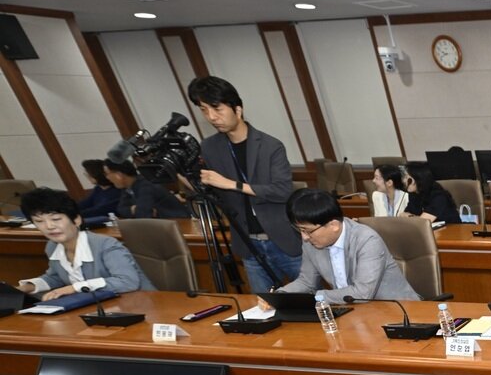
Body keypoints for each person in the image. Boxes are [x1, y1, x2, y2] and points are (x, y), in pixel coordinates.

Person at [188, 76, 302, 293]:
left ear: (237, 108)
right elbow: (206, 192)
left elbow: (282, 191)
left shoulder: (270, 145)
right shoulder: (209, 147)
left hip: (283, 241)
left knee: (313, 303)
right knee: (265, 308)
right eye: (204, 110)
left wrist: (231, 184)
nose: (212, 117)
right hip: (248, 245)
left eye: (217, 109)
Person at [271, 188, 418, 301]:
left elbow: (362, 294)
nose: (304, 237)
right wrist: (280, 296)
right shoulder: (312, 242)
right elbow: (306, 282)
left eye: (308, 231)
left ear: (334, 225)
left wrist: (315, 297)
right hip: (352, 313)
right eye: (300, 230)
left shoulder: (366, 240)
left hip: (397, 312)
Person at [16, 188, 154, 299]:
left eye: (56, 219)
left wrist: (74, 288)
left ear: (76, 220)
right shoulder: (52, 246)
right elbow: (56, 276)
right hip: (100, 307)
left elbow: (127, 282)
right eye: (39, 221)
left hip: (140, 304)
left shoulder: (106, 245)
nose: (49, 226)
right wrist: (29, 287)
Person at [104, 160, 190, 220]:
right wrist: (134, 210)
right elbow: (121, 210)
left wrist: (136, 210)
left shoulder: (146, 184)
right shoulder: (127, 187)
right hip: (161, 225)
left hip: (179, 222)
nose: (107, 178)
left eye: (107, 174)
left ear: (119, 175)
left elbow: (142, 214)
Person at [77, 158, 120, 224]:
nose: (86, 175)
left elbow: (100, 210)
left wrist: (73, 215)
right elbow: (85, 203)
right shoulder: (98, 188)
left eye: (88, 173)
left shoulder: (117, 190)